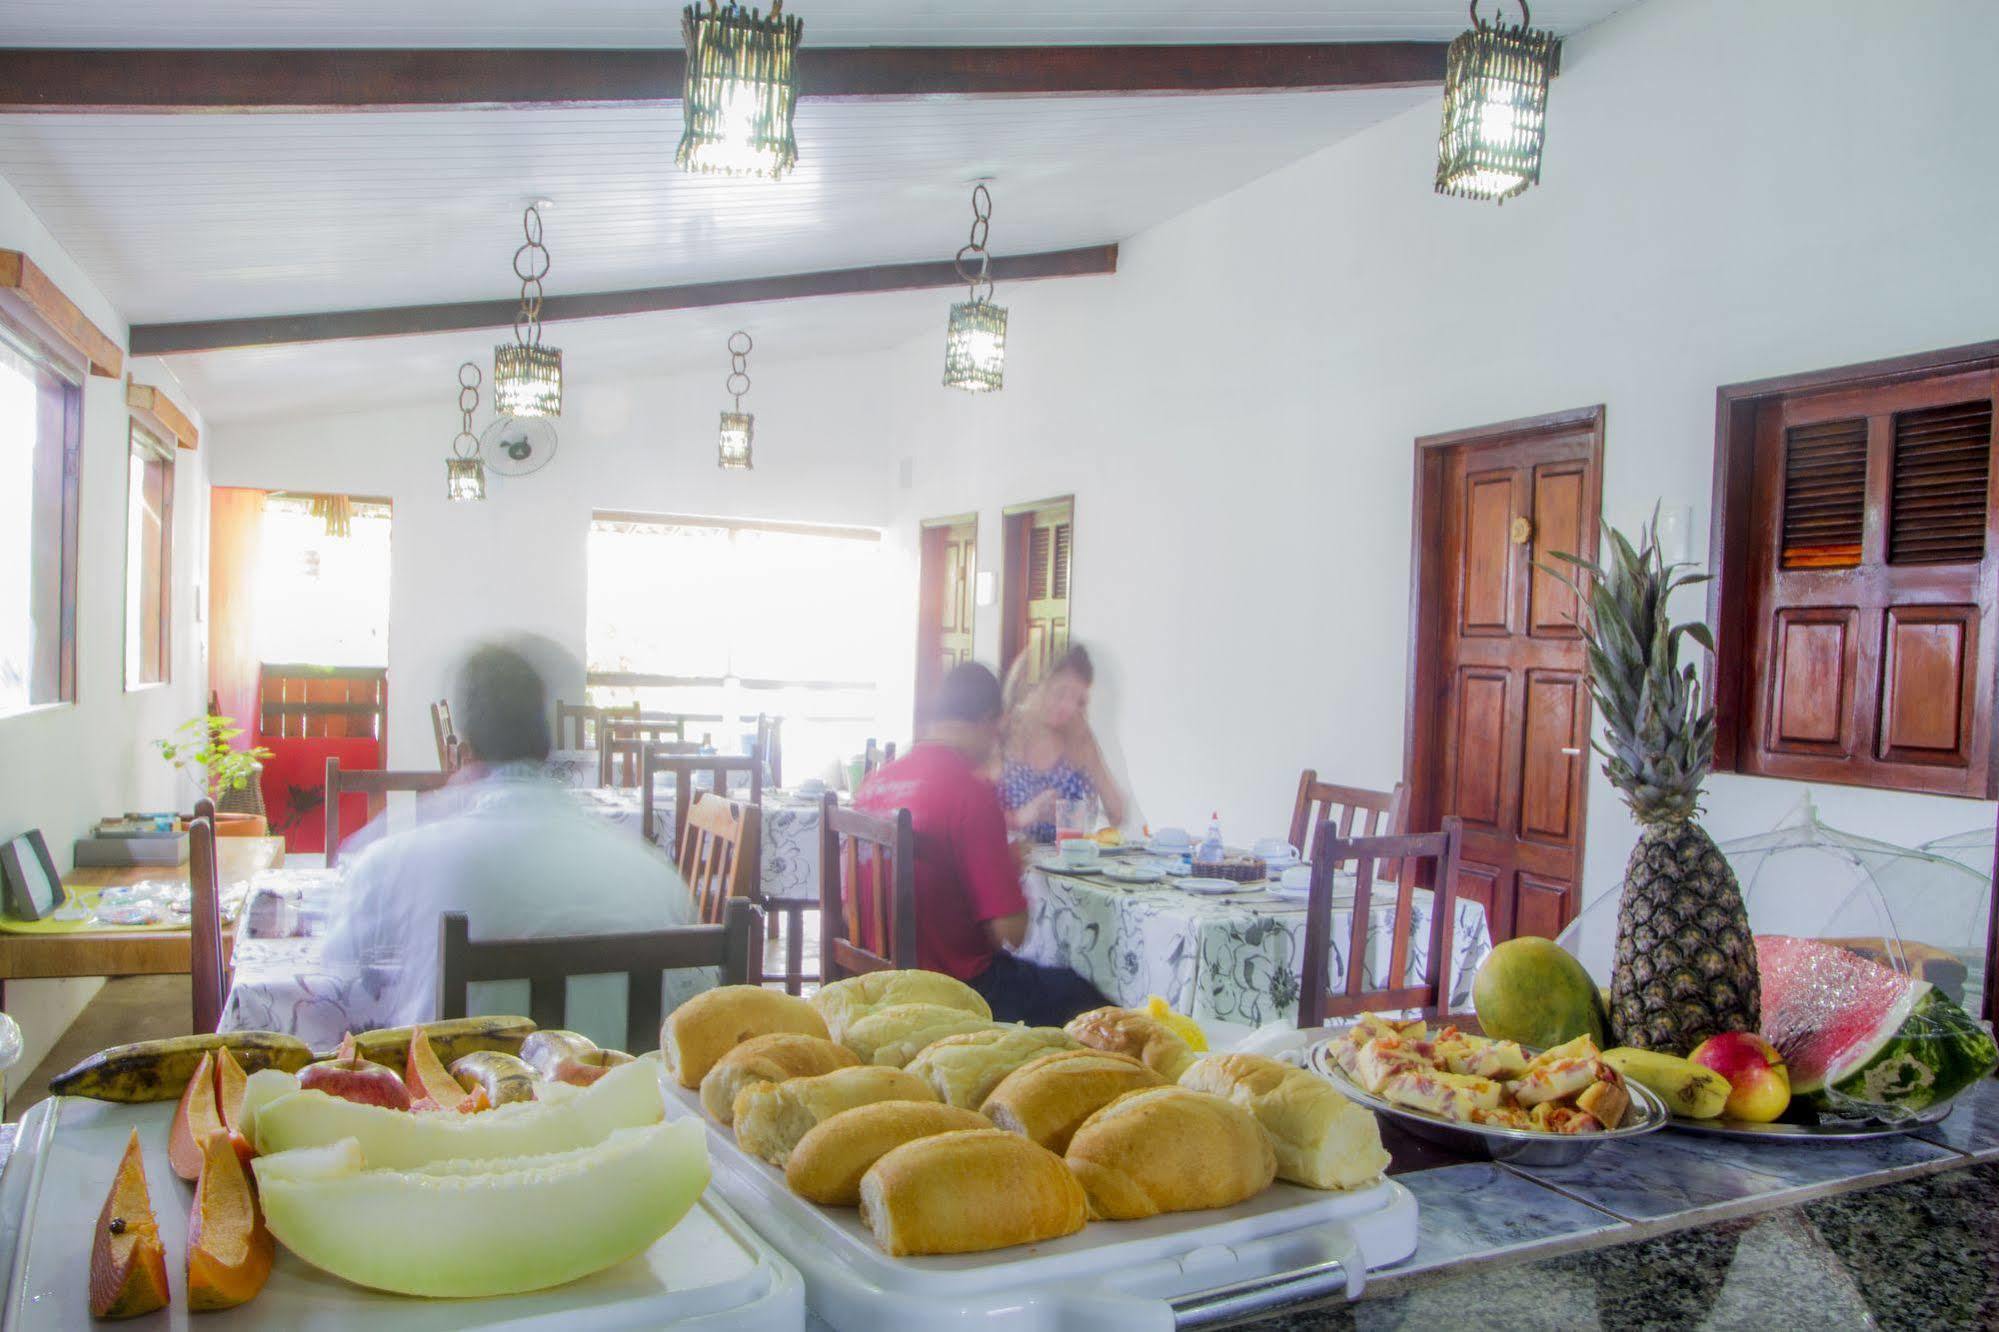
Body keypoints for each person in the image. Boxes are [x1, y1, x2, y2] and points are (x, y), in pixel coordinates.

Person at [320, 640, 708, 1034]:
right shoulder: (656, 878)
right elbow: (700, 1005)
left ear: (463, 755)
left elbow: (332, 979)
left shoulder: (391, 863)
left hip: (463, 1093)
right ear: (547, 752)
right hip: (627, 1093)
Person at [854, 662, 1108, 1027]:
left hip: (874, 980)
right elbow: (1012, 934)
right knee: (1091, 1002)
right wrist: (1010, 867)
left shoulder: (876, 783)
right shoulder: (969, 793)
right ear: (991, 722)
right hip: (956, 989)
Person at [998, 644, 1128, 842]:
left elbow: (1116, 815)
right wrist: (1023, 816)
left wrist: (1092, 758)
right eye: (1060, 693)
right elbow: (971, 815)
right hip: (1009, 860)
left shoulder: (1078, 738)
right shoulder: (1003, 732)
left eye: (1077, 700)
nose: (1067, 707)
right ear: (1036, 684)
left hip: (1064, 864)